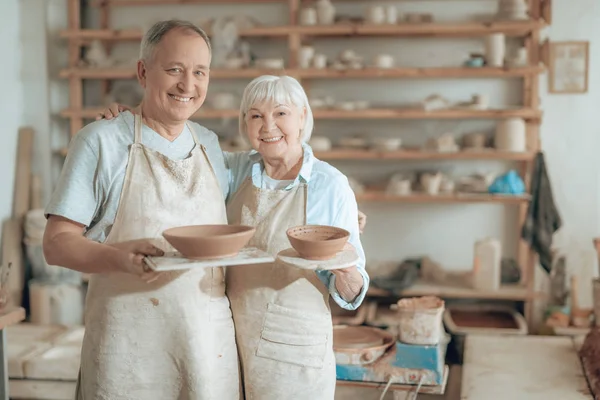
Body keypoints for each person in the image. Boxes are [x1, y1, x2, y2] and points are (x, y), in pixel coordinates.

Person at [43, 20, 240, 399]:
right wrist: (119, 258)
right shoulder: (101, 141)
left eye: (200, 72)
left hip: (207, 347)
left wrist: (342, 213)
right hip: (128, 350)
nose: (188, 85)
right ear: (143, 71)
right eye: (174, 70)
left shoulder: (211, 145)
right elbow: (56, 244)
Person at [224, 75, 369, 399]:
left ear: (303, 117)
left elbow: (354, 289)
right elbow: (183, 146)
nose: (267, 126)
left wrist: (344, 266)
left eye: (280, 113)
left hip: (293, 350)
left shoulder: (329, 184)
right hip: (232, 341)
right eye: (256, 115)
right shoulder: (235, 171)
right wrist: (127, 119)